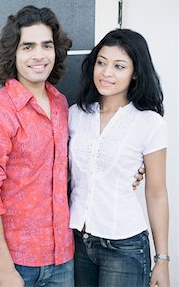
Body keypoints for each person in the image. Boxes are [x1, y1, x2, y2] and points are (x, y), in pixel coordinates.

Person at [0, 5, 74, 287]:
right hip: (12, 263)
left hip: (62, 259)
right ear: (13, 53)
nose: (39, 55)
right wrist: (5, 269)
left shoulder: (61, 104)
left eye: (46, 45)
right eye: (28, 47)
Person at [68, 29, 170, 287]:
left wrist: (162, 259)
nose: (106, 73)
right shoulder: (75, 114)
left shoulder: (149, 123)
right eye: (101, 62)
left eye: (119, 66)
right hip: (77, 242)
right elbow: (65, 172)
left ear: (135, 72)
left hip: (124, 246)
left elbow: (157, 192)